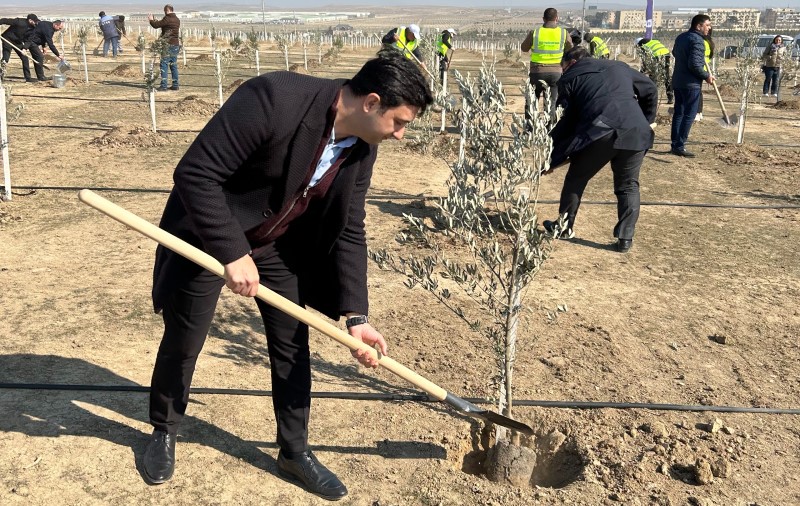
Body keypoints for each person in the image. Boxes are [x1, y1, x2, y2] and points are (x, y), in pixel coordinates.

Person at [142, 49, 433, 500]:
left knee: (293, 344)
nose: (400, 134)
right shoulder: (274, 97)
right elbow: (196, 174)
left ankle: (294, 451)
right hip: (208, 233)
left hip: (277, 243)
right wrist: (232, 251)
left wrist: (357, 315)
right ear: (372, 102)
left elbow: (350, 227)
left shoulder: (361, 147)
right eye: (399, 122)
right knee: (185, 339)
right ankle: (163, 429)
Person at [543, 47, 657, 253]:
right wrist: (646, 120)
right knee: (628, 185)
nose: (563, 71)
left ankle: (564, 227)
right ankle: (625, 238)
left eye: (563, 67)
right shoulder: (618, 66)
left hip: (600, 132)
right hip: (637, 131)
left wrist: (551, 158)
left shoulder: (570, 78)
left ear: (571, 63)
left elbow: (565, 122)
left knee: (576, 178)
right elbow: (650, 89)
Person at [669, 14, 713, 158]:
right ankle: (680, 146)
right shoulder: (698, 40)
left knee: (679, 112)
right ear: (699, 26)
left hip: (678, 80)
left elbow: (675, 53)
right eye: (707, 25)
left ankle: (675, 144)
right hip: (691, 83)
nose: (709, 28)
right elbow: (694, 64)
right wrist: (706, 76)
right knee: (689, 114)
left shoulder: (681, 37)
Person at [521, 7, 572, 113]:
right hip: (556, 74)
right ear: (557, 18)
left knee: (531, 102)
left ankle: (529, 123)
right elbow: (570, 50)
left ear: (543, 19)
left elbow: (524, 48)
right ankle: (550, 122)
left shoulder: (535, 33)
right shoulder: (563, 33)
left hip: (537, 72)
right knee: (551, 104)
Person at [148, 5, 180, 91]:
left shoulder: (167, 18)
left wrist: (151, 20)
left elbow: (156, 25)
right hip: (176, 44)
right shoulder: (177, 19)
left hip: (167, 45)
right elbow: (162, 24)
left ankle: (164, 86)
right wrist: (155, 20)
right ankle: (175, 85)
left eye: (164, 11)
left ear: (167, 10)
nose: (164, 13)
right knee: (173, 65)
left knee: (164, 64)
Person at [24, 16, 64, 81]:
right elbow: (51, 44)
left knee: (37, 57)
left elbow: (42, 35)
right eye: (59, 28)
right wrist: (58, 55)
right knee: (40, 56)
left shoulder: (47, 24)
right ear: (56, 25)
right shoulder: (49, 30)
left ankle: (40, 76)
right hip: (31, 41)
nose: (59, 30)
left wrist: (44, 46)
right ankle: (41, 77)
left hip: (32, 40)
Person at [636, 37, 673, 105]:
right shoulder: (653, 41)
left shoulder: (642, 46)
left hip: (657, 56)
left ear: (638, 44)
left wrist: (641, 72)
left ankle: (652, 98)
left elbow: (645, 61)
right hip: (666, 54)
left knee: (653, 77)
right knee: (666, 76)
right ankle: (670, 97)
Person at [0, 16, 34, 82]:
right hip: (7, 39)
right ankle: (1, 76)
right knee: (5, 59)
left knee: (25, 58)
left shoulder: (32, 29)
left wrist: (24, 48)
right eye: (34, 21)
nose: (35, 23)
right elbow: (4, 20)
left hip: (17, 42)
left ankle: (28, 78)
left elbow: (29, 40)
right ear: (30, 20)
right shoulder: (19, 22)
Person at [695, 28, 715, 122]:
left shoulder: (702, 42)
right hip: (703, 68)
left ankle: (697, 113)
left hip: (699, 68)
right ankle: (699, 113)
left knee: (697, 92)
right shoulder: (709, 42)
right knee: (698, 91)